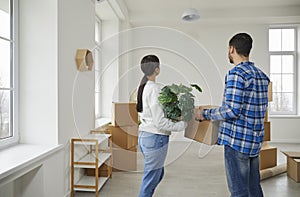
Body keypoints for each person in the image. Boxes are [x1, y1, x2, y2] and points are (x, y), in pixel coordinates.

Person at [197, 33, 270, 197]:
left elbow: (231, 110)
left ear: (232, 49)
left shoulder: (236, 74)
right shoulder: (262, 76)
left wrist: (205, 114)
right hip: (254, 142)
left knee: (239, 192)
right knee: (254, 189)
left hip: (237, 143)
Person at [136, 55, 187, 197]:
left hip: (145, 137)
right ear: (157, 69)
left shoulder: (144, 87)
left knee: (158, 174)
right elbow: (159, 122)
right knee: (149, 181)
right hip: (155, 138)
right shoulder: (155, 90)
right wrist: (182, 125)